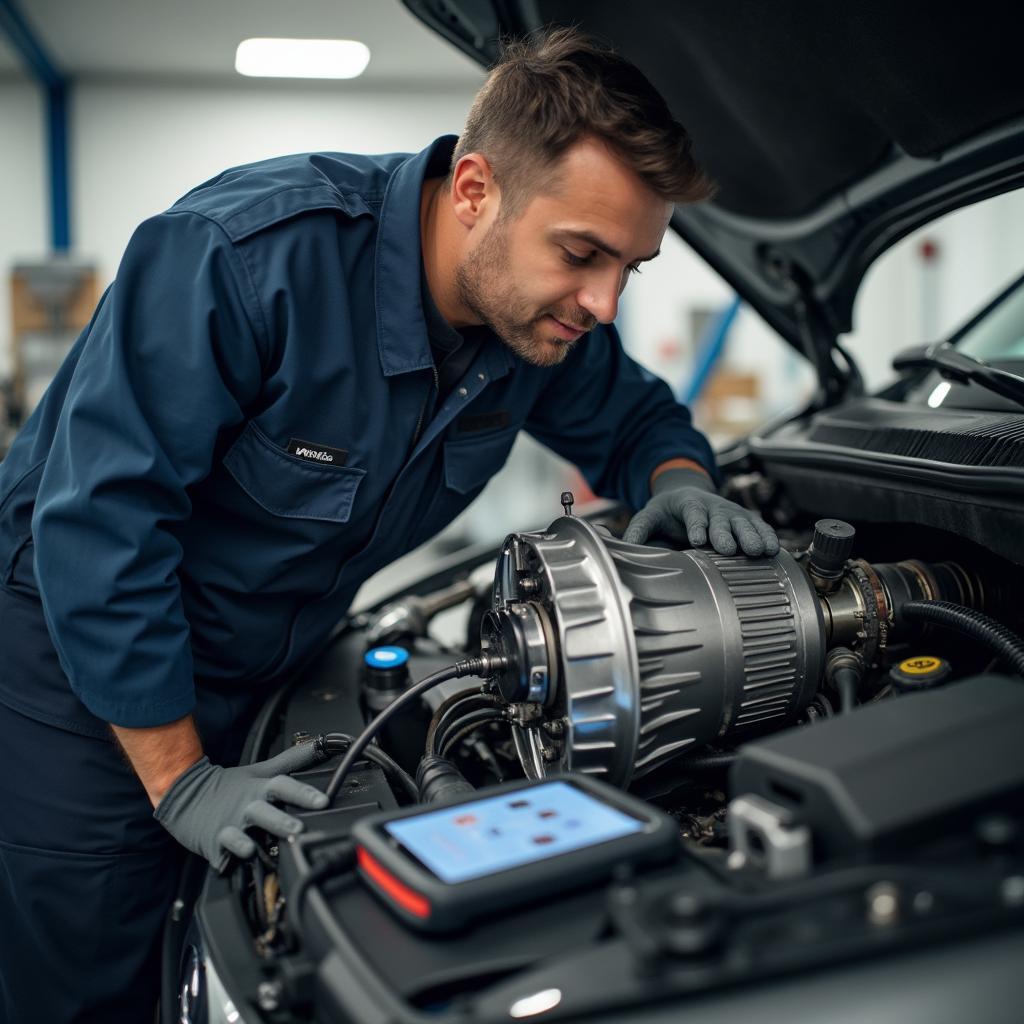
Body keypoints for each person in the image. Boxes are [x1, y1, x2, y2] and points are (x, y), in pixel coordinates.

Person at [0, 27, 778, 1024]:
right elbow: (98, 525)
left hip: (271, 656)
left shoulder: (531, 321)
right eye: (581, 253)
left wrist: (679, 481)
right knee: (93, 968)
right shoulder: (243, 259)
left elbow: (637, 419)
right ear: (472, 191)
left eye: (630, 266)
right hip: (77, 671)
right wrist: (181, 777)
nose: (602, 300)